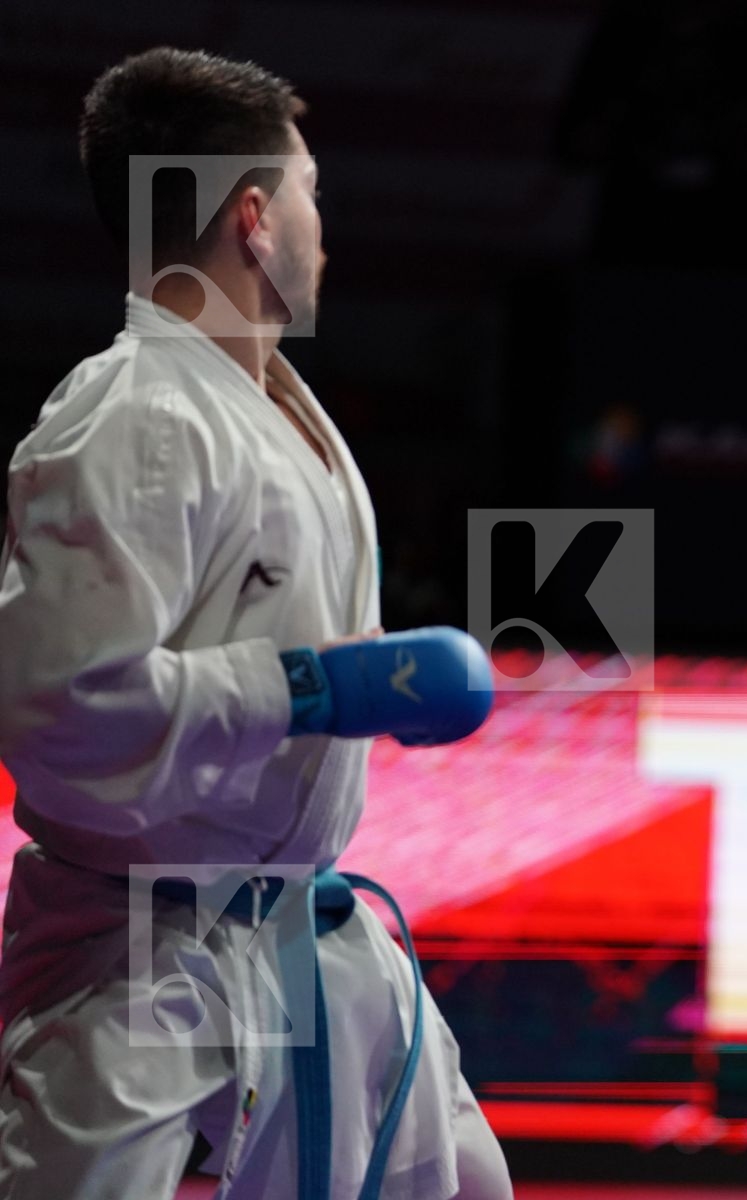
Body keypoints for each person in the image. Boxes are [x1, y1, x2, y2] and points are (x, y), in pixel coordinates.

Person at [0, 49, 511, 1199]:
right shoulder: (133, 414)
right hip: (134, 954)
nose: (321, 224)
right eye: (308, 193)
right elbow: (50, 705)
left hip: (301, 935)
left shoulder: (268, 403)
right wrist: (312, 690)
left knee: (466, 1183)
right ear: (252, 217)